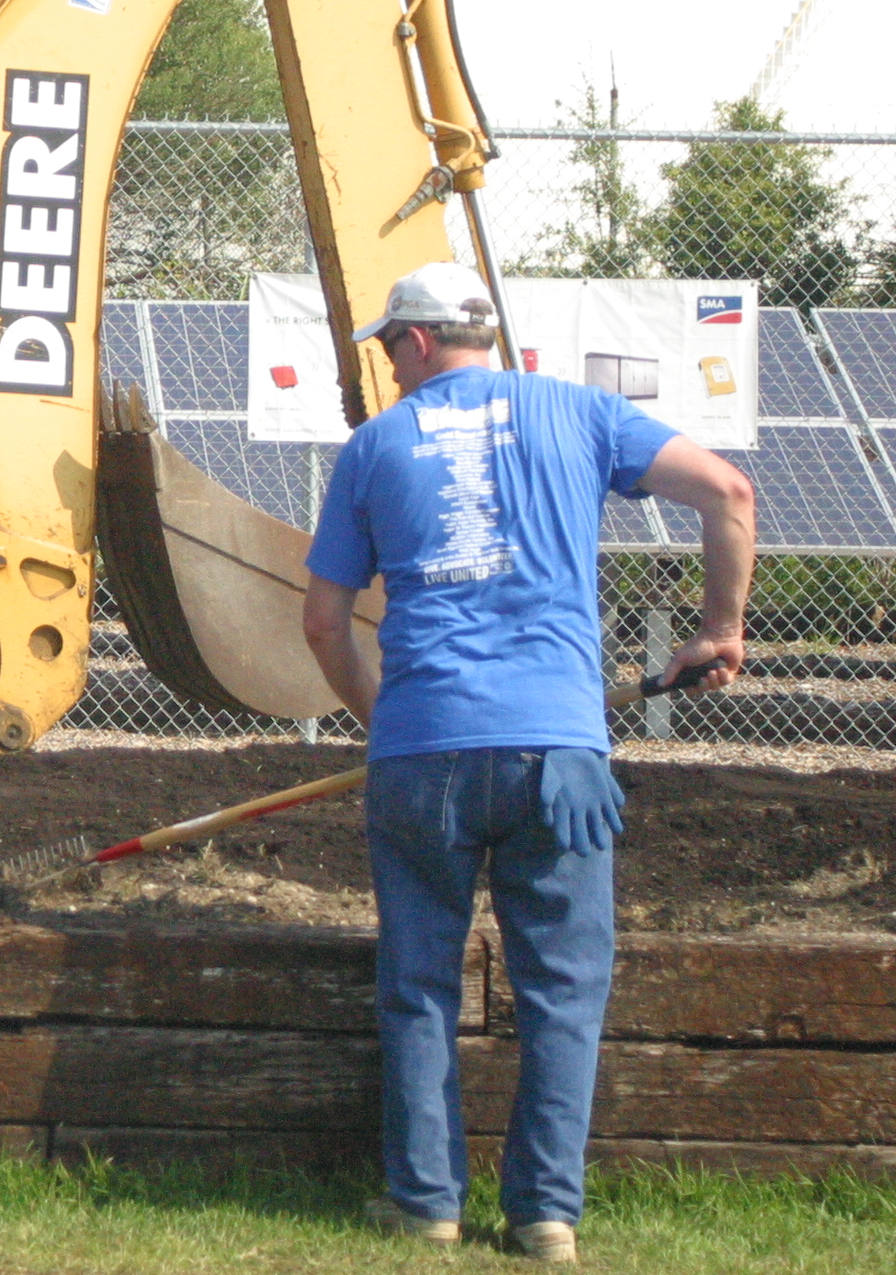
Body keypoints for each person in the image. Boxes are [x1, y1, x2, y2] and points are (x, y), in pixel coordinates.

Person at [302, 262, 753, 1263]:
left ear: (418, 342)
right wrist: (719, 628)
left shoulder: (377, 446)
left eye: (387, 347)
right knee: (563, 989)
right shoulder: (581, 412)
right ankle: (545, 1214)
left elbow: (325, 621)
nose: (387, 364)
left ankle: (426, 1205)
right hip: (559, 746)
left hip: (424, 750)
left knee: (418, 984)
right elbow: (728, 490)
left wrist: (388, 722)